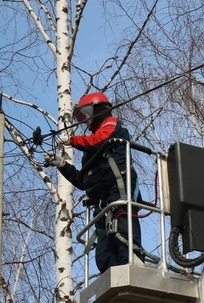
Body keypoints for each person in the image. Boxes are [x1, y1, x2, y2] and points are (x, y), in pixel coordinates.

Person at [45, 92, 143, 272]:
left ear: (98, 109)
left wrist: (71, 140)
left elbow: (98, 141)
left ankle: (132, 266)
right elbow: (84, 181)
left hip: (118, 188)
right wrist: (62, 165)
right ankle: (110, 277)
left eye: (86, 115)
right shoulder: (89, 151)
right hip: (102, 201)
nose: (85, 121)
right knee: (104, 247)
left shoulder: (111, 124)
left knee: (123, 233)